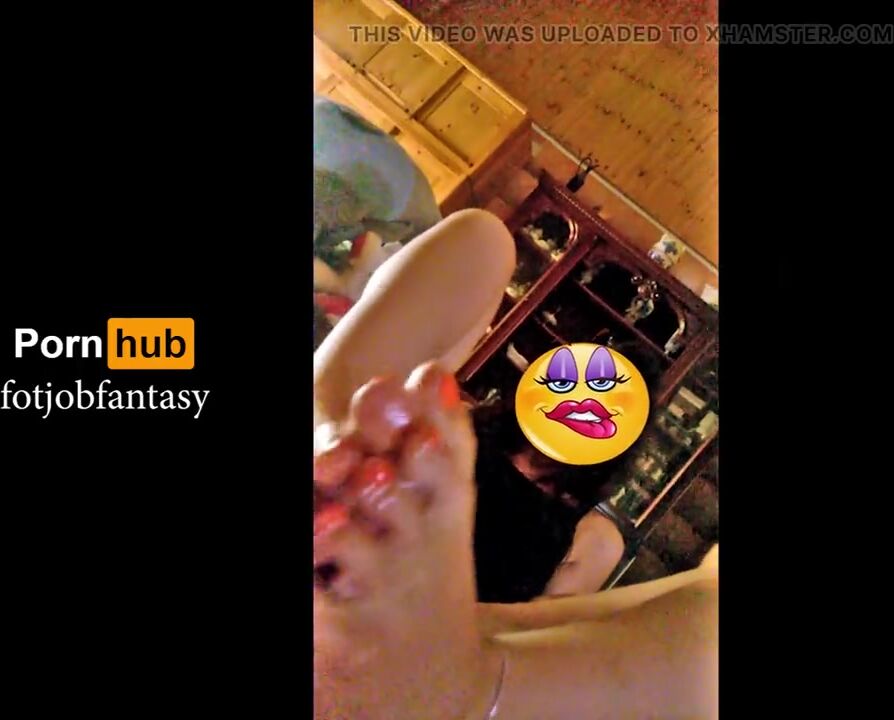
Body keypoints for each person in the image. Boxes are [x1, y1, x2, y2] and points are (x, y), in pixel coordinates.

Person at [314, 209, 718, 719]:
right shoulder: (455, 427)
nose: (583, 400)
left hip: (445, 630)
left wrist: (439, 625)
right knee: (483, 241)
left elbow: (541, 626)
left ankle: (455, 675)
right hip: (358, 526)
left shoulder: (592, 537)